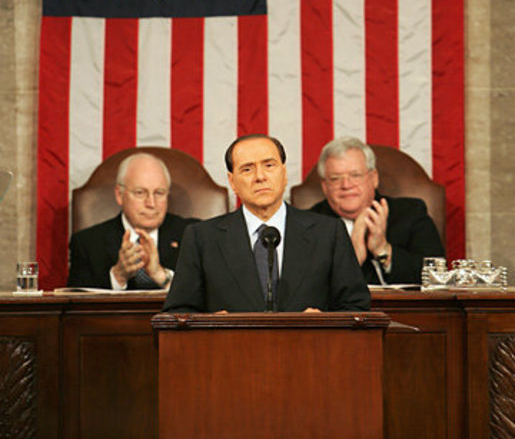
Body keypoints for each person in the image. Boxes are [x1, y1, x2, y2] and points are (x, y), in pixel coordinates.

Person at [163, 134, 370, 313]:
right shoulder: (202, 239)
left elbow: (356, 306)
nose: (260, 177)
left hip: (310, 353)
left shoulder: (328, 233)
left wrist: (325, 323)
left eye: (269, 165)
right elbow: (178, 313)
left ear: (284, 173)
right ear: (232, 181)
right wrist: (210, 326)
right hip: (229, 354)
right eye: (247, 169)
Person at [311, 137, 445, 285]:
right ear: (324, 186)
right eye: (335, 179)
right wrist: (351, 259)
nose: (346, 185)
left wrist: (383, 250)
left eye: (355, 175)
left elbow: (436, 277)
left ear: (373, 178)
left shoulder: (411, 213)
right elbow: (302, 289)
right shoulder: (307, 224)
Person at [68, 152, 197, 290]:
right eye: (140, 193)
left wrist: (161, 276)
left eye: (159, 193)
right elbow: (78, 306)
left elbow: (210, 296)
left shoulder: (193, 235)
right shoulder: (87, 244)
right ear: (119, 195)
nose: (151, 203)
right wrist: (118, 277)